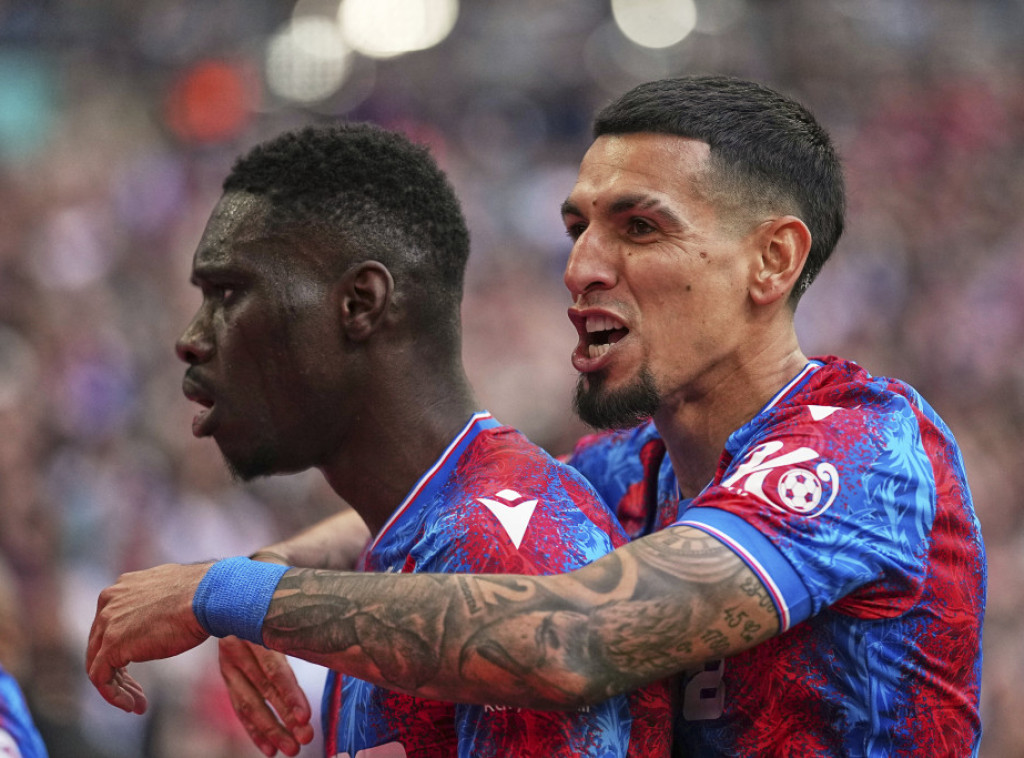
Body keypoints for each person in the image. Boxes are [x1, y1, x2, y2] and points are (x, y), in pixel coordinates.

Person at [87, 76, 986, 756]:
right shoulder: (632, 465)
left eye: (639, 228)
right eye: (577, 227)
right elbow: (461, 508)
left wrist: (226, 596)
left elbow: (571, 639)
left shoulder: (862, 449)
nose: (582, 266)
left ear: (772, 261)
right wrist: (275, 563)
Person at [88, 122, 670, 757]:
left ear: (359, 303)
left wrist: (223, 592)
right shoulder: (409, 539)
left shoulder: (502, 544)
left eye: (231, 295)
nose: (193, 339)